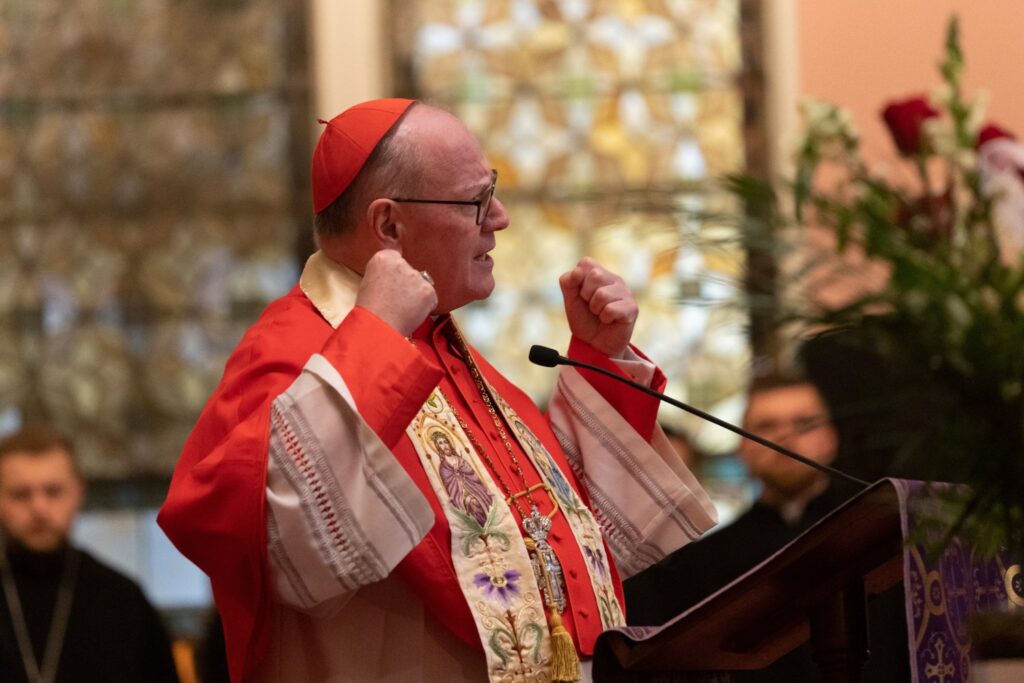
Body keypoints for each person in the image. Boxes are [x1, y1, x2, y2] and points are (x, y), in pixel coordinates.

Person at [157, 98, 717, 683]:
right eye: (476, 200)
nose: (498, 217)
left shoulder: (451, 353)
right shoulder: (294, 347)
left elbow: (561, 545)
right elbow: (267, 536)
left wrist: (601, 360)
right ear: (390, 226)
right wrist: (373, 339)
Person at [624, 374, 908, 681]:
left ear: (830, 439)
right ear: (744, 447)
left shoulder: (882, 537)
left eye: (804, 423)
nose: (785, 438)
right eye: (767, 426)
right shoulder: (703, 562)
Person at [0, 425, 179, 683]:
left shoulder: (123, 598)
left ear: (78, 493)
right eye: (20, 494)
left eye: (53, 491)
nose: (39, 508)